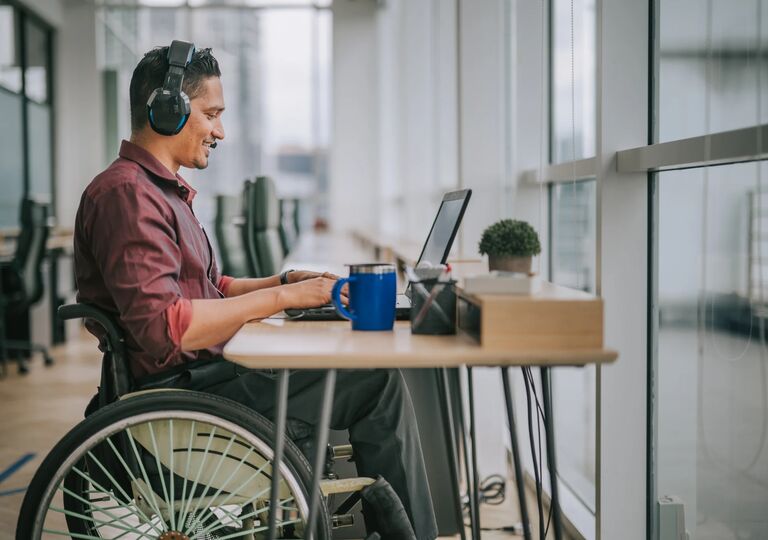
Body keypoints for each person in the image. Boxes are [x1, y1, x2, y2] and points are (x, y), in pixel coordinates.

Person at [73, 43, 438, 539]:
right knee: (375, 380)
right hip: (184, 394)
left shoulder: (158, 190)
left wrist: (285, 282)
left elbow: (210, 287)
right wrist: (283, 301)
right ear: (168, 109)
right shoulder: (127, 194)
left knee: (364, 372)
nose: (220, 131)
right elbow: (165, 329)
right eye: (211, 114)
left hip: (205, 376)